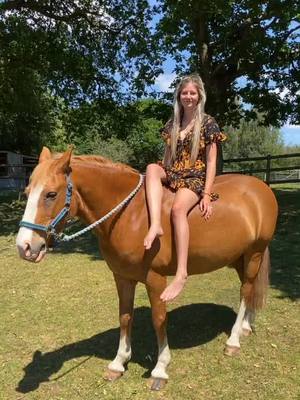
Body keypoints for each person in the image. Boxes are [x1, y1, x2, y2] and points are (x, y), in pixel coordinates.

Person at [143, 73, 226, 302]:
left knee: (178, 209)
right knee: (151, 168)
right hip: (175, 171)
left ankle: (181, 273)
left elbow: (211, 162)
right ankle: (156, 226)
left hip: (195, 176)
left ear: (199, 96)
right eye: (184, 93)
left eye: (192, 93)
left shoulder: (208, 123)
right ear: (179, 96)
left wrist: (206, 195)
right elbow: (167, 157)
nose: (188, 96)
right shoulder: (173, 123)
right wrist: (164, 175)